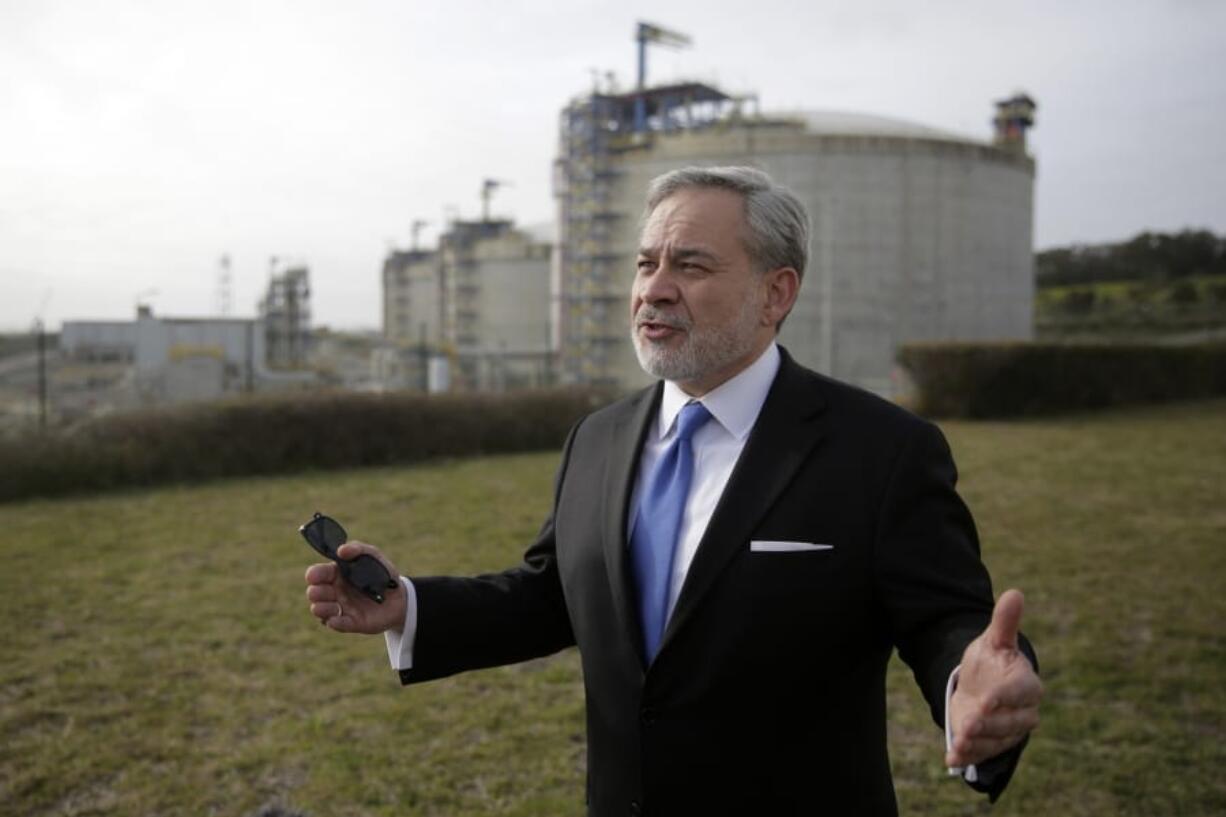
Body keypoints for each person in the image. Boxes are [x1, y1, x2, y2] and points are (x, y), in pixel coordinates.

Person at [305, 166, 1041, 817]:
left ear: (775, 292)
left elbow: (947, 620)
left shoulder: (879, 449)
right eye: (645, 262)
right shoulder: (596, 438)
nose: (654, 289)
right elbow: (555, 594)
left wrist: (969, 681)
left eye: (690, 265)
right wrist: (412, 606)